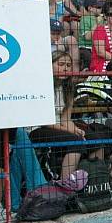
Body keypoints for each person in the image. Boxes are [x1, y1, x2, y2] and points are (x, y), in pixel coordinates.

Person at [29, 51, 85, 180]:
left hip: (58, 126)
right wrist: (69, 130)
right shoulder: (42, 86)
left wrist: (75, 129)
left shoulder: (68, 88)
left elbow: (66, 117)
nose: (65, 68)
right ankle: (65, 183)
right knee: (76, 141)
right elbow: (45, 121)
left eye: (68, 65)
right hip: (38, 128)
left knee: (93, 137)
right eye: (60, 64)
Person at [91, 4, 112, 73]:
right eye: (111, 14)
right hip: (101, 65)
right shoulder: (99, 30)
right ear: (105, 16)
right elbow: (101, 52)